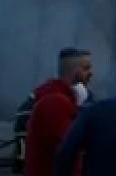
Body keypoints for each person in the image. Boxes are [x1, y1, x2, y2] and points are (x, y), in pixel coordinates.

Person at [24, 47, 92, 176]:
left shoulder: (61, 98)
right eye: (86, 68)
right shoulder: (56, 102)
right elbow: (66, 149)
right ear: (74, 69)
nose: (90, 73)